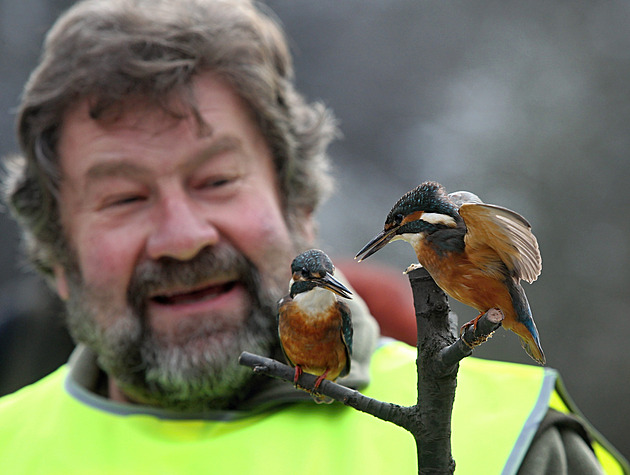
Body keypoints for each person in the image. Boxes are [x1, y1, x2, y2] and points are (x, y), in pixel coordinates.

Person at [0, 0, 627, 473]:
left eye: (217, 179)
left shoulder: (517, 445)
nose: (183, 237)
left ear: (300, 205)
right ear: (56, 254)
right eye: (123, 197)